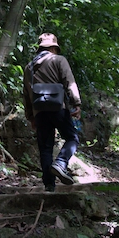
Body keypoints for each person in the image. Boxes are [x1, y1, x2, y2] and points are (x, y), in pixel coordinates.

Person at [23, 33, 82, 192]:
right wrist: (76, 103)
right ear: (53, 48)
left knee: (45, 147)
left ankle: (49, 185)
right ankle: (61, 163)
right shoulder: (58, 60)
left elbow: (27, 94)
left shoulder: (29, 67)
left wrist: (31, 116)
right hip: (57, 107)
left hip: (39, 111)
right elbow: (69, 82)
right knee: (72, 137)